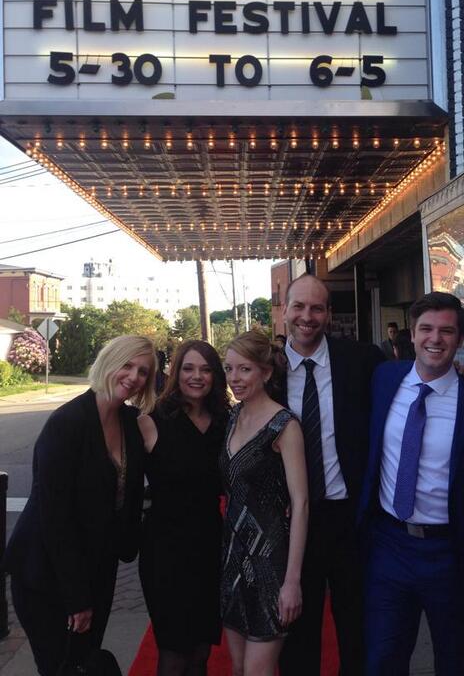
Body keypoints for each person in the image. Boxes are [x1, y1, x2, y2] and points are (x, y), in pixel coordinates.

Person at [358, 291, 464, 676]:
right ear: (411, 334)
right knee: (382, 661)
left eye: (446, 331)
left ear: (459, 339)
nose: (435, 339)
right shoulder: (384, 378)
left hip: (450, 553)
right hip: (389, 545)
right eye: (426, 329)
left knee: (454, 662)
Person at [3, 335, 156, 676]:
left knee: (85, 663)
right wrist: (77, 598)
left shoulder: (130, 422)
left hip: (96, 570)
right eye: (127, 365)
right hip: (46, 573)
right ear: (108, 362)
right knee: (61, 666)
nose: (133, 377)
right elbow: (54, 517)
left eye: (143, 371)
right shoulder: (67, 423)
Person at [278, 274, 384, 676]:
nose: (307, 316)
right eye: (299, 307)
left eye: (317, 308)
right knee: (297, 631)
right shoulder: (268, 372)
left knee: (356, 627)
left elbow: (410, 384)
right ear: (284, 311)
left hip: (349, 518)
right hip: (292, 521)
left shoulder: (362, 360)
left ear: (328, 314)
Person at [138, 340, 229, 676]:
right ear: (175, 373)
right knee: (174, 653)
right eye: (188, 368)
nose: (197, 376)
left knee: (202, 651)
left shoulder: (225, 422)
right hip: (165, 552)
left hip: (209, 547)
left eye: (205, 369)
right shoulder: (152, 421)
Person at [220, 330, 308, 676]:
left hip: (271, 562)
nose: (234, 378)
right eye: (229, 369)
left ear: (266, 372)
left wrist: (292, 580)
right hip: (232, 558)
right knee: (239, 668)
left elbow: (301, 504)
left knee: (258, 670)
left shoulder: (284, 425)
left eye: (244, 369)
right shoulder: (232, 417)